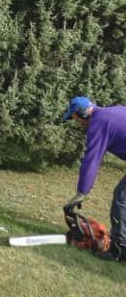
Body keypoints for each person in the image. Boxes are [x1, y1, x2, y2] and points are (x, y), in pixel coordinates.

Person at [63, 95, 126, 260]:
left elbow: (91, 161)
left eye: (77, 119)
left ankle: (119, 251)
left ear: (83, 114)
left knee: (121, 198)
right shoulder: (112, 111)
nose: (80, 123)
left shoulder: (98, 124)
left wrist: (81, 193)